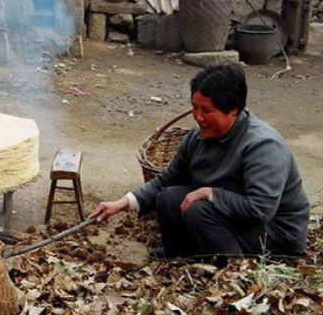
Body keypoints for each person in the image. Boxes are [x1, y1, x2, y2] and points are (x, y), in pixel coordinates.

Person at [91, 64, 310, 259]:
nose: (198, 116)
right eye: (195, 107)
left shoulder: (262, 146)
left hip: (274, 235)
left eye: (206, 110)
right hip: (237, 220)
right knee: (168, 197)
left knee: (199, 209)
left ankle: (230, 266)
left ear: (233, 109)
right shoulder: (197, 138)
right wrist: (123, 203)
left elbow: (259, 210)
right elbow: (166, 180)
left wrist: (209, 193)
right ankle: (180, 257)